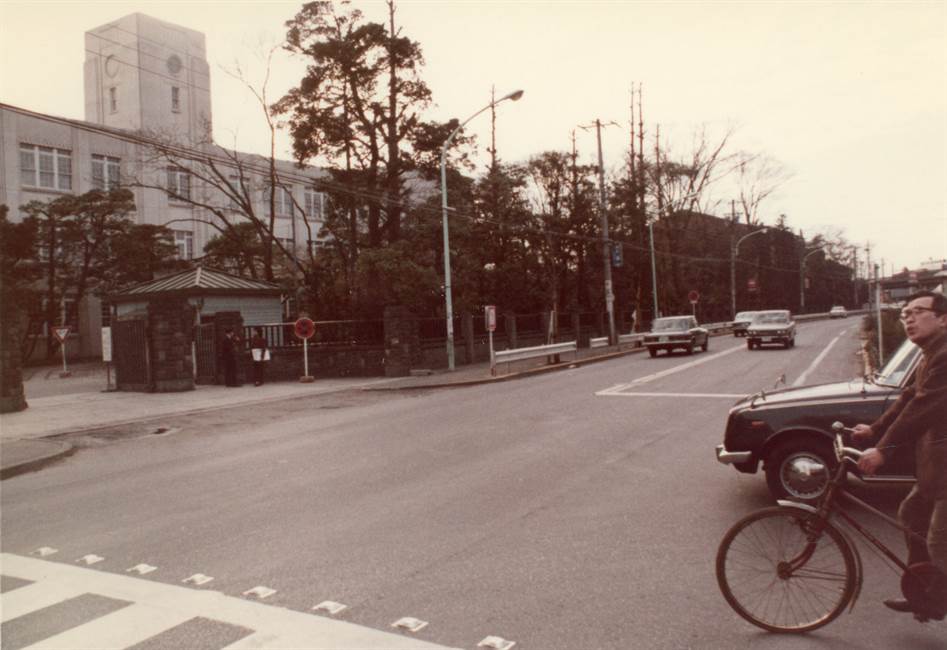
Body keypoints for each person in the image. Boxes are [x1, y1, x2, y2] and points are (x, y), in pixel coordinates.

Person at [853, 290, 947, 622]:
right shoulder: (929, 355)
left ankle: (938, 595)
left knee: (940, 542)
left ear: (943, 319)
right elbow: (909, 397)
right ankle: (927, 592)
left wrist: (882, 449)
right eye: (904, 313)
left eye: (917, 312)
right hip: (936, 470)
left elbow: (921, 410)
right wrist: (874, 430)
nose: (908, 318)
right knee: (911, 513)